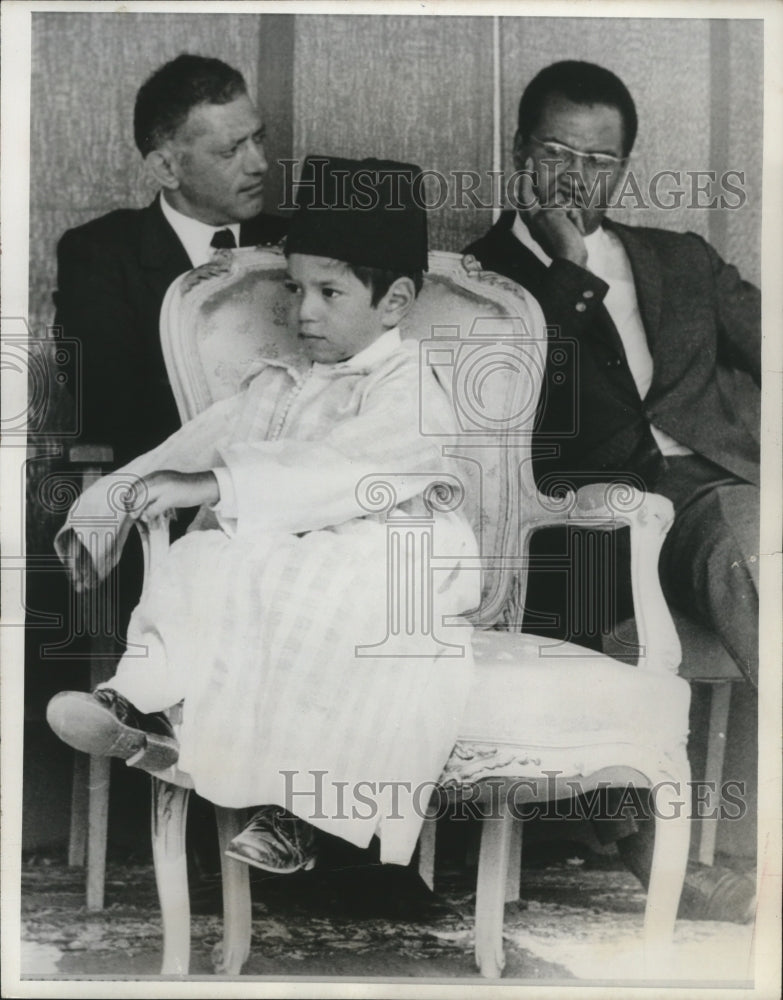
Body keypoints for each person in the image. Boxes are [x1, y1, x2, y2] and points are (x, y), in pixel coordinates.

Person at [46, 156, 480, 872]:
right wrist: (110, 505)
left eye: (329, 292)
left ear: (395, 301)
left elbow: (343, 470)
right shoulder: (281, 383)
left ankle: (303, 811)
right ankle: (138, 704)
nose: (302, 311)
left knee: (333, 590)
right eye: (294, 287)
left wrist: (212, 486)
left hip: (398, 553)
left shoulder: (413, 389)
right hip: (291, 543)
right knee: (204, 558)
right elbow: (188, 446)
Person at [464, 59, 758, 920]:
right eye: (556, 152)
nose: (575, 178)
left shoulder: (680, 260)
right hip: (577, 510)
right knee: (586, 596)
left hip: (702, 487)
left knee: (759, 551)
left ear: (624, 167)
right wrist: (567, 271)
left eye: (599, 161)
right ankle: (643, 849)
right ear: (519, 153)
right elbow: (521, 393)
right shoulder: (476, 280)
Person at [54, 53, 288, 467]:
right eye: (231, 150)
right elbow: (108, 410)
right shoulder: (100, 255)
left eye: (259, 138)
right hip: (167, 495)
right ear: (165, 167)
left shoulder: (296, 243)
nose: (260, 164)